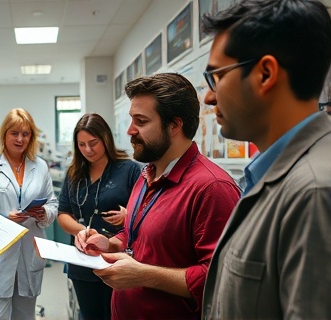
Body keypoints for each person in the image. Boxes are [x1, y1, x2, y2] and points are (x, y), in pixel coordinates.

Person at [200, 0, 331, 318]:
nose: (208, 96)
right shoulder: (272, 175)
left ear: (265, 74)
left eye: (217, 76)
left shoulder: (314, 191)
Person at [75, 73, 241, 319]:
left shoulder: (212, 188)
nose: (130, 131)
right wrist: (108, 243)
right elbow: (133, 237)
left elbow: (220, 278)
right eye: (132, 119)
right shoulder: (146, 175)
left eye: (140, 121)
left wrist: (142, 274)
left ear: (174, 125)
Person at [0, 108, 58, 320]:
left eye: (25, 134)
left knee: (25, 316)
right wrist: (2, 220)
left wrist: (43, 213)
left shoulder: (40, 166)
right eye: (14, 133)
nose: (20, 139)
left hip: (29, 254)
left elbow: (52, 203)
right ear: (4, 134)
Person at [57, 113, 142, 320]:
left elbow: (146, 211)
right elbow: (63, 214)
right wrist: (84, 232)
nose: (88, 150)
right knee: (90, 315)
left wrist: (128, 215)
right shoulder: (75, 173)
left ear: (105, 138)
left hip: (118, 259)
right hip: (82, 260)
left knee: (119, 315)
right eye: (82, 144)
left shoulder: (129, 170)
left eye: (93, 143)